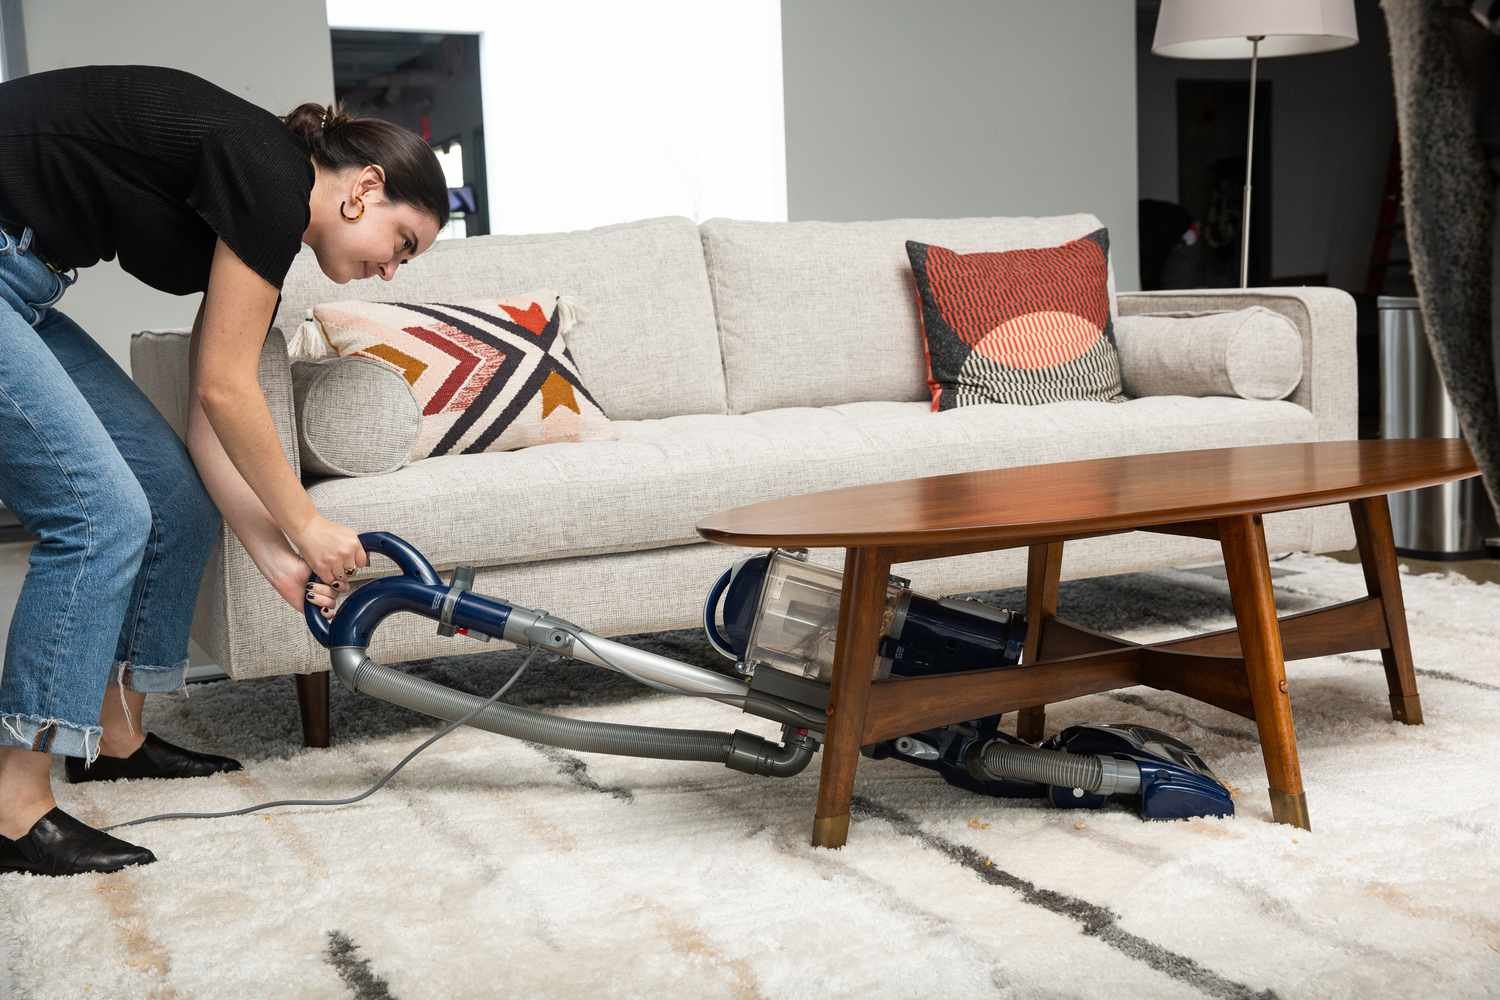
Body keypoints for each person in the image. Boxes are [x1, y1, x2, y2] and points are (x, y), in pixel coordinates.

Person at [0, 64, 447, 877]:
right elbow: (225, 388)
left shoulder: (267, 217)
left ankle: (114, 738)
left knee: (174, 498)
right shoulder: (271, 173)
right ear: (365, 188)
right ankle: (12, 808)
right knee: (99, 514)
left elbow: (212, 415)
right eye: (401, 245)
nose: (392, 270)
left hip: (22, 285)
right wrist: (308, 523)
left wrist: (279, 555)